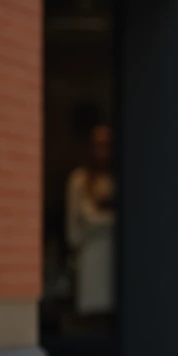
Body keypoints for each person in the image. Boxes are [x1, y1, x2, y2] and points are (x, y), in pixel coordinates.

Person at [66, 123, 115, 321]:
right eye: (98, 145)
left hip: (114, 260)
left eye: (107, 145)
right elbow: (82, 221)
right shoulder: (80, 180)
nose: (102, 150)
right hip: (90, 256)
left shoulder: (117, 179)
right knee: (91, 315)